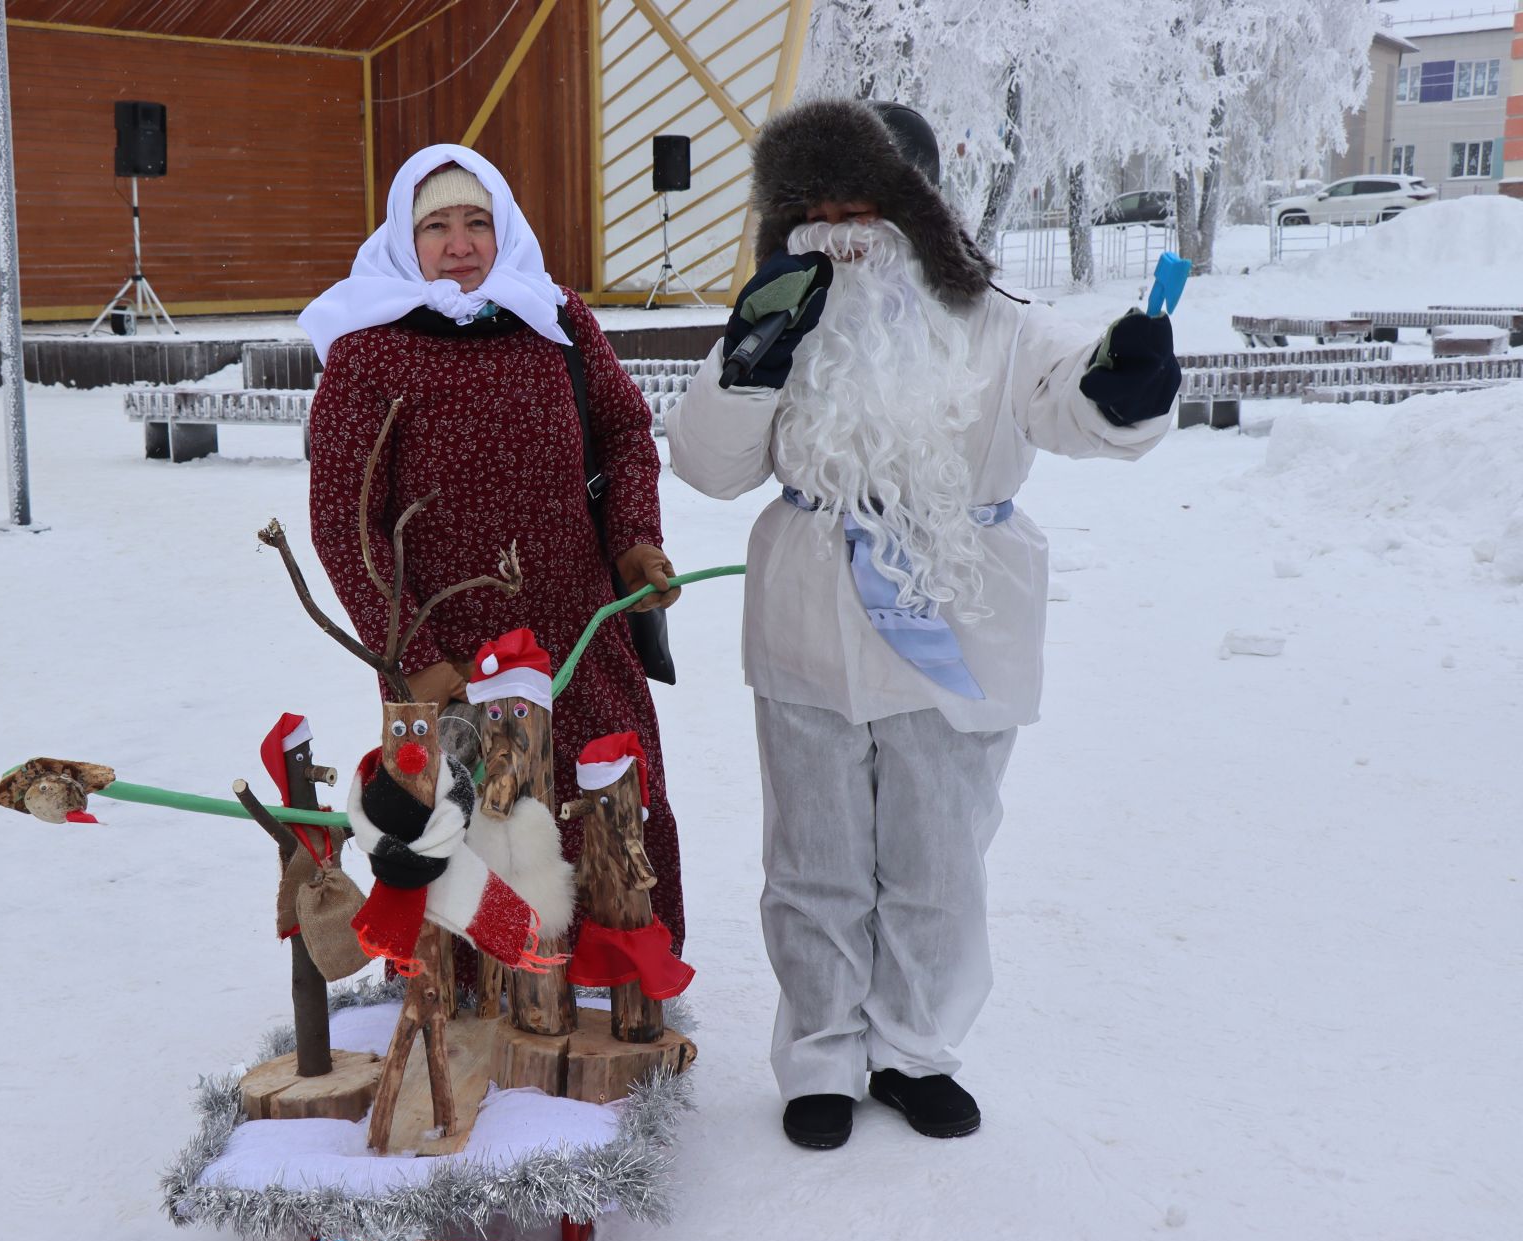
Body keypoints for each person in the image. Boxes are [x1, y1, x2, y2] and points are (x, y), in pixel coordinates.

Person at [665, 100, 1180, 1149]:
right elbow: (710, 468)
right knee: (813, 857)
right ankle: (819, 1053)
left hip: (958, 619)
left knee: (939, 855)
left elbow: (1068, 393)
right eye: (818, 204)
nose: (844, 227)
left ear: (922, 209)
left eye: (869, 201)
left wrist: (1126, 386)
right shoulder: (783, 312)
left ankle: (913, 1046)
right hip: (809, 622)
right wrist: (750, 360)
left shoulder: (998, 318)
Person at [299, 144, 689, 953]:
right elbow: (345, 519)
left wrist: (635, 544)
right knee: (468, 822)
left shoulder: (554, 317)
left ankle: (617, 982)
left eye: (478, 222)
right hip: (448, 649)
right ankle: (475, 1004)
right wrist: (410, 652)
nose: (461, 243)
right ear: (407, 240)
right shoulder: (369, 347)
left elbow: (622, 434)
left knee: (608, 798)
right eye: (436, 225)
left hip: (576, 625)